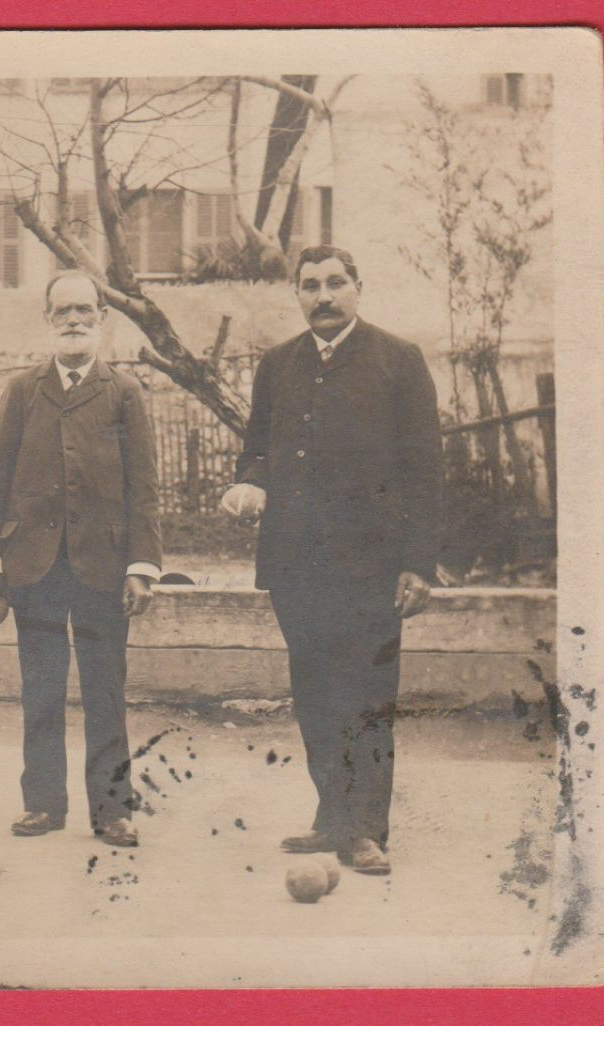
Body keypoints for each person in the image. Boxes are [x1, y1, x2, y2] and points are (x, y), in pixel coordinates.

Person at [221, 245, 444, 876]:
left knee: (366, 695)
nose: (324, 296)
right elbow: (256, 448)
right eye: (311, 285)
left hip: (373, 567)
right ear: (296, 293)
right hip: (295, 564)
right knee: (314, 692)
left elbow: (426, 469)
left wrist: (418, 564)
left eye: (336, 283)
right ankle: (332, 815)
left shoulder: (398, 361)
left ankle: (366, 830)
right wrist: (250, 483)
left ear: (357, 287)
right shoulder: (276, 364)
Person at [0, 270, 161, 848]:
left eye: (85, 311)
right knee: (41, 688)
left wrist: (141, 566)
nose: (74, 321)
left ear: (102, 319)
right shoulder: (24, 391)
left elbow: (144, 486)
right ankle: (43, 804)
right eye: (62, 312)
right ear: (47, 321)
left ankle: (113, 810)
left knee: (106, 689)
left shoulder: (123, 392)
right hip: (36, 567)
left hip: (103, 567)